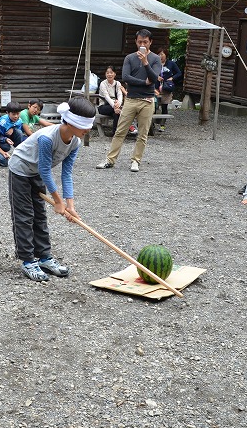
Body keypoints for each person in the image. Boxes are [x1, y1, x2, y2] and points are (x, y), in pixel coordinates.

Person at [8, 98, 96, 282]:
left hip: (37, 172)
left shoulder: (75, 142)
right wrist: (58, 201)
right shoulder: (48, 138)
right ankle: (27, 261)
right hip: (21, 169)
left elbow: (67, 174)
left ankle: (45, 257)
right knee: (25, 215)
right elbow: (45, 170)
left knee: (40, 215)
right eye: (84, 126)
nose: (88, 130)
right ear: (71, 122)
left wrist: (69, 205)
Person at [96, 29, 162, 172]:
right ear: (136, 42)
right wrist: (144, 83)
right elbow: (126, 77)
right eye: (140, 42)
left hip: (148, 100)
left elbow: (154, 78)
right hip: (131, 99)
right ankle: (110, 160)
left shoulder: (155, 59)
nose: (142, 44)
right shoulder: (129, 58)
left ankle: (136, 161)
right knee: (120, 131)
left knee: (142, 134)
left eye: (145, 42)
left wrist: (145, 63)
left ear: (150, 42)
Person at [156, 48, 181, 131]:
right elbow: (150, 72)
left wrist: (172, 78)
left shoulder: (171, 64)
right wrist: (156, 77)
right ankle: (152, 123)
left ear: (166, 55)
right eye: (159, 54)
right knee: (154, 106)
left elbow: (179, 73)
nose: (160, 56)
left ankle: (162, 125)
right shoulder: (155, 63)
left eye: (162, 54)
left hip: (166, 88)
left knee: (164, 106)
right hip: (156, 88)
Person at [96, 66, 124, 136]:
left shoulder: (117, 83)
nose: (109, 74)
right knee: (118, 110)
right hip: (103, 106)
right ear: (105, 74)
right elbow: (107, 97)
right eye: (107, 73)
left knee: (116, 113)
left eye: (111, 73)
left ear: (115, 74)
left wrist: (119, 104)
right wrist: (115, 106)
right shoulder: (103, 84)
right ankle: (130, 127)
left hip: (115, 106)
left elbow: (120, 95)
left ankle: (115, 133)